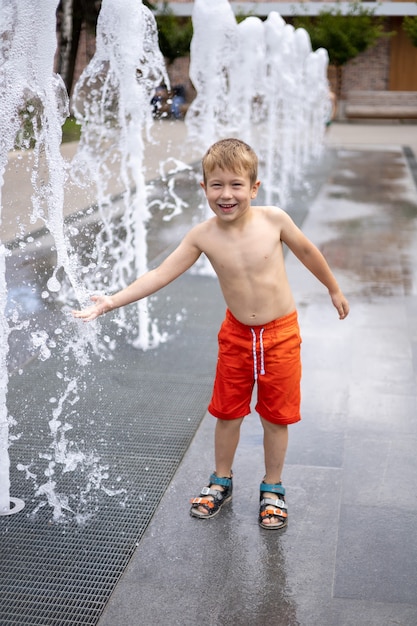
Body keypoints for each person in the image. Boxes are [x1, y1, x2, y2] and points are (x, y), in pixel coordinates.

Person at [72, 138, 349, 530]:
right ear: (204, 189)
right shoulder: (203, 236)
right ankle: (221, 479)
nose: (226, 194)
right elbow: (160, 273)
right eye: (216, 185)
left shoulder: (275, 220)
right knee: (227, 412)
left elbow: (306, 251)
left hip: (280, 335)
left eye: (236, 184)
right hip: (236, 336)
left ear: (254, 188)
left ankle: (272, 487)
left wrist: (333, 287)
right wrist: (111, 302)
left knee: (276, 416)